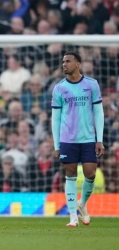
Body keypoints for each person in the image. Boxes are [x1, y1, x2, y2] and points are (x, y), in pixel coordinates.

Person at [51, 51, 105, 227]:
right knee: (70, 175)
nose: (64, 64)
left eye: (68, 61)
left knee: (90, 173)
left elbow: (98, 112)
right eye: (63, 61)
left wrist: (100, 139)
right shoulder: (59, 88)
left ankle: (82, 204)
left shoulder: (91, 85)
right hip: (68, 139)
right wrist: (56, 144)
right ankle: (73, 216)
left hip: (88, 138)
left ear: (78, 64)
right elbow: (56, 118)